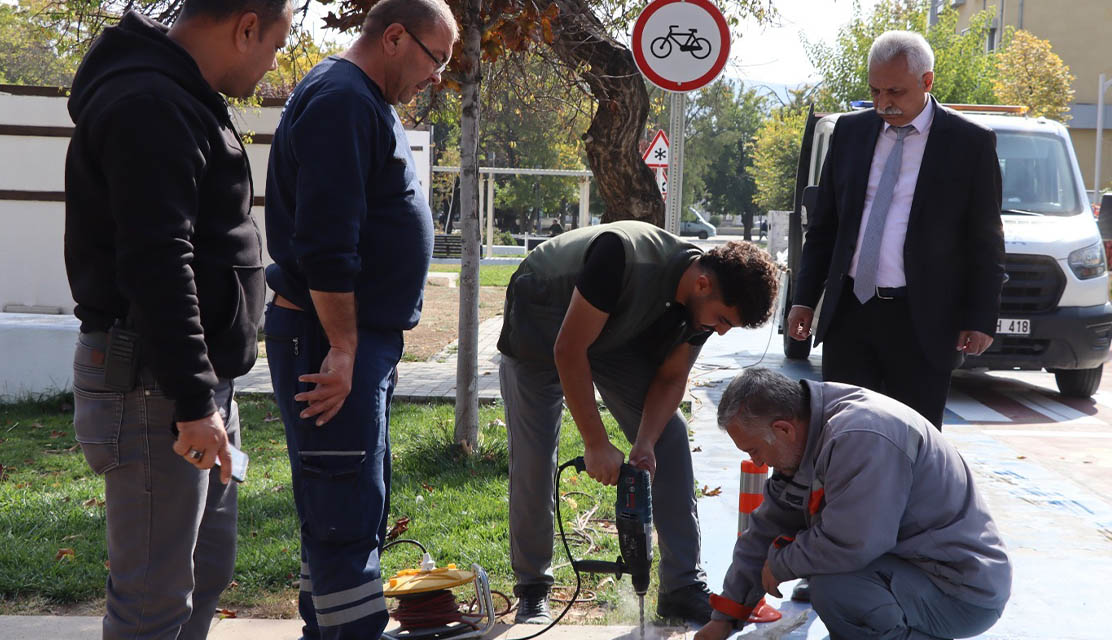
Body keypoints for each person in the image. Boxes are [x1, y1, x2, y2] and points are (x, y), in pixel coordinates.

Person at [63, 1, 290, 637]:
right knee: (153, 604)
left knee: (201, 577)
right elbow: (157, 261)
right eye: (276, 43)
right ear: (246, 27)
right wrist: (193, 401)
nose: (275, 63)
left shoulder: (182, 95)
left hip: (191, 385)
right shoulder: (149, 105)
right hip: (158, 389)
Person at [261, 0, 457, 636]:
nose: (436, 78)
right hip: (329, 342)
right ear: (395, 37)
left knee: (348, 510)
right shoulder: (344, 100)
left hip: (350, 341)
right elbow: (325, 243)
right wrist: (343, 348)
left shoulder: (362, 99)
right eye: (436, 60)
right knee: (344, 516)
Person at [498, 221, 779, 625]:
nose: (718, 331)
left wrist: (645, 442)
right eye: (722, 319)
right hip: (541, 319)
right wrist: (595, 442)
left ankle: (682, 587)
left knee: (670, 433)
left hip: (612, 331)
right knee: (535, 458)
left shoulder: (699, 308)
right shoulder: (619, 255)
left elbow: (669, 378)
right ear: (702, 284)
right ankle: (532, 588)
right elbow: (569, 348)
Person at [785, 30, 1005, 429]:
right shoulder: (850, 134)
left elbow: (986, 240)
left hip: (923, 321)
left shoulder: (969, 144)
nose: (884, 103)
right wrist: (803, 299)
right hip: (851, 314)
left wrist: (981, 316)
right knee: (840, 433)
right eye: (875, 91)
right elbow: (825, 227)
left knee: (914, 441)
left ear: (927, 82)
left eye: (895, 92)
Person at [698, 368, 1011, 640]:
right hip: (914, 571)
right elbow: (764, 532)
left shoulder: (861, 435)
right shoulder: (802, 440)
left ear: (783, 429)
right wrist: (723, 620)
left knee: (835, 588)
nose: (757, 462)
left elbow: (853, 542)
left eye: (754, 449)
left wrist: (781, 562)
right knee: (834, 584)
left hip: (961, 592)